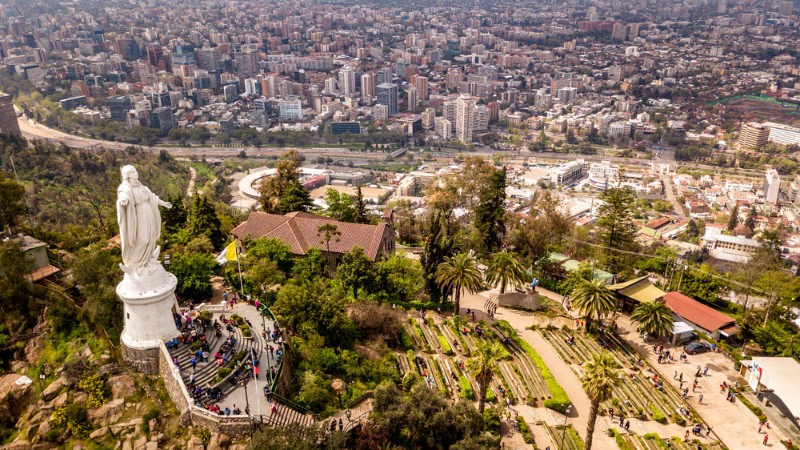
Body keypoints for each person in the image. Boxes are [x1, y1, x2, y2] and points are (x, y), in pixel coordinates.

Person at [116, 165, 172, 272]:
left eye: (135, 170)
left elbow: (152, 197)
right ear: (128, 176)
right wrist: (123, 200)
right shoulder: (126, 188)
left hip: (148, 213)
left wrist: (164, 203)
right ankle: (133, 263)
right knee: (142, 239)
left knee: (150, 237)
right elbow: (123, 195)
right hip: (139, 216)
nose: (136, 172)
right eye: (132, 172)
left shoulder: (141, 187)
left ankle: (146, 259)